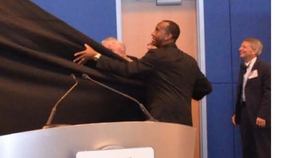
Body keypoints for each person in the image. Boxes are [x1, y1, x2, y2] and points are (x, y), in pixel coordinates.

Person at [74, 20, 212, 125]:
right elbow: (205, 88)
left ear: (168, 36)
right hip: (185, 123)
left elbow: (128, 70)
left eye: (157, 30)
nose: (153, 33)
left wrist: (97, 56)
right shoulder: (189, 61)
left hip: (160, 121)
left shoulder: (157, 56)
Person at [233, 38, 270, 158]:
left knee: (264, 147)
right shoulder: (244, 67)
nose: (240, 48)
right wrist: (237, 112)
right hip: (245, 111)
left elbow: (270, 93)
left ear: (254, 51)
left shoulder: (264, 68)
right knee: (248, 146)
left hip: (259, 114)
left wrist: (263, 114)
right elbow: (242, 92)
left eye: (244, 46)